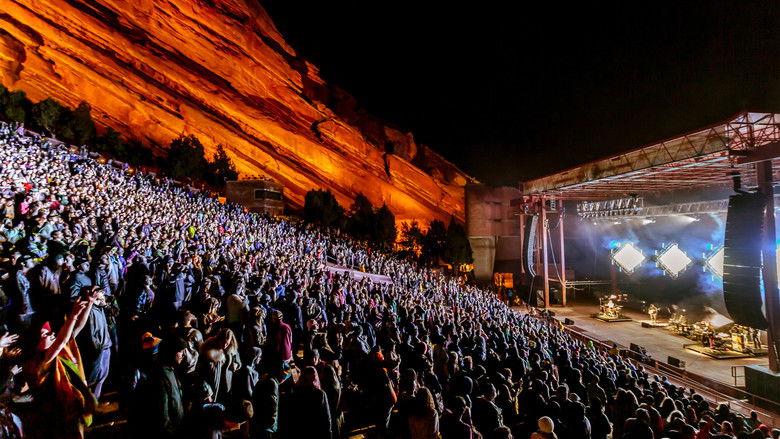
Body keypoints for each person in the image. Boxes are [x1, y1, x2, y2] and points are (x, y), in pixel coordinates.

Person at [24, 296, 96, 439]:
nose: (51, 334)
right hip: (57, 414)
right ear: (35, 342)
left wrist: (89, 305)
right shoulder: (37, 362)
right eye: (45, 334)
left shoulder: (60, 351)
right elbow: (62, 340)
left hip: (71, 408)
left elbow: (74, 330)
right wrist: (73, 316)